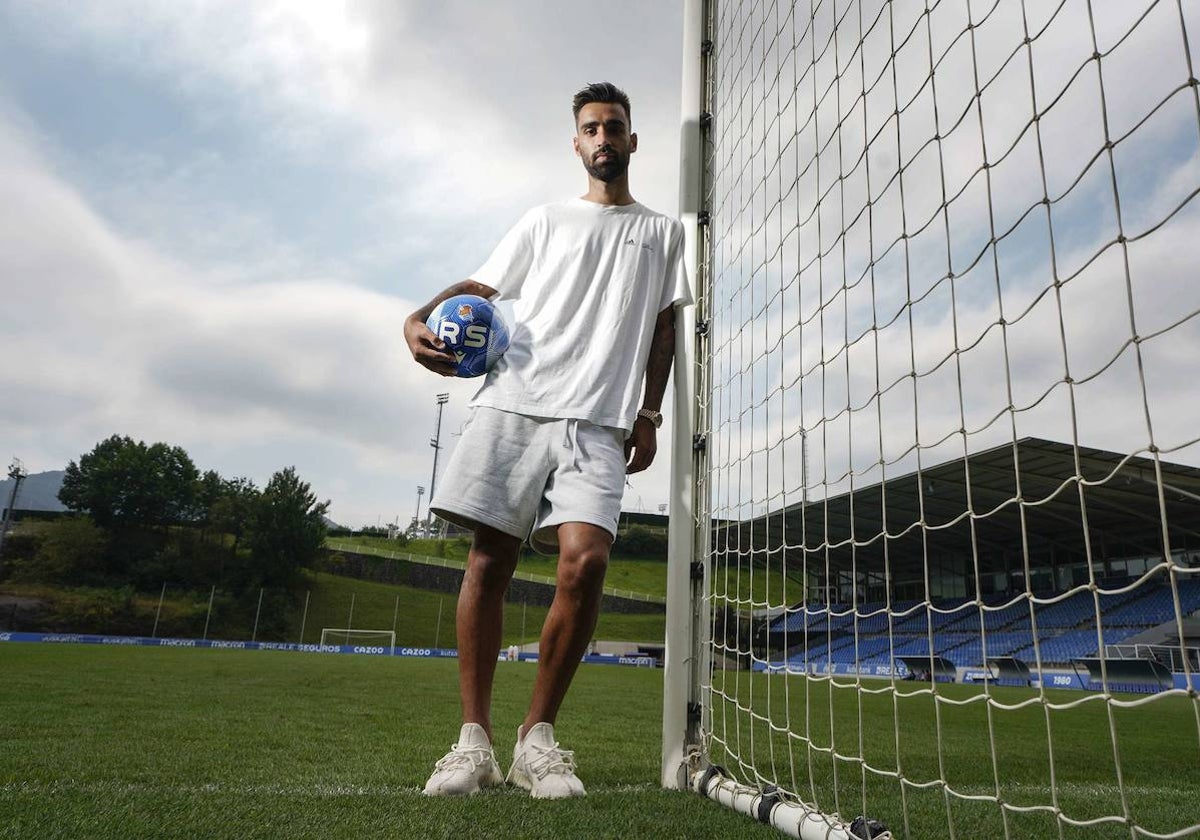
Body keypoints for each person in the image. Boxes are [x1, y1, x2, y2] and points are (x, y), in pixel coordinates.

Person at [404, 81, 691, 799]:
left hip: (599, 419)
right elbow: (481, 287)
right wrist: (415, 318)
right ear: (577, 143)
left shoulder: (664, 233)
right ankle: (472, 744)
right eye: (591, 128)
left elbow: (664, 330)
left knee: (586, 561)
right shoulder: (545, 220)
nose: (602, 138)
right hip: (516, 399)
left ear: (632, 140)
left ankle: (538, 739)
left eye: (614, 127)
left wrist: (650, 413)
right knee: (489, 558)